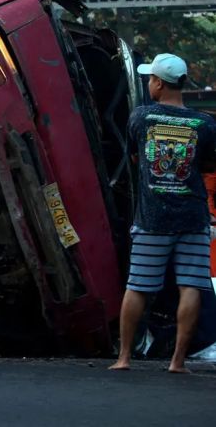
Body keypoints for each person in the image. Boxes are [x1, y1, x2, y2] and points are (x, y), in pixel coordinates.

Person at [110, 53, 216, 373]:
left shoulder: (141, 118)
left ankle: (124, 358)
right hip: (193, 218)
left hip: (152, 220)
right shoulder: (205, 124)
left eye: (150, 80)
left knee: (138, 286)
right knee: (191, 286)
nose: (149, 85)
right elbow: (208, 166)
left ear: (158, 82)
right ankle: (178, 362)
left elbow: (132, 158)